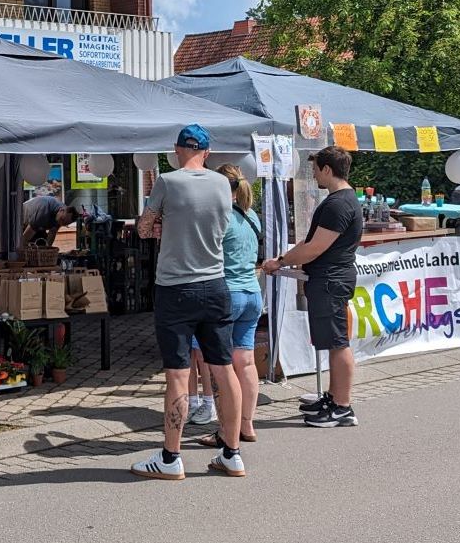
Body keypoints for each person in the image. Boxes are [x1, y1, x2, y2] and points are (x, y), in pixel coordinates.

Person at [131, 124, 245, 480]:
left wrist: (161, 222)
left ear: (177, 149)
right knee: (224, 370)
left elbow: (144, 229)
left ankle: (170, 458)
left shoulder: (167, 181)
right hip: (215, 284)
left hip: (176, 288)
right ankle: (232, 452)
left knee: (179, 376)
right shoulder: (223, 184)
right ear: (208, 153)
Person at [263, 145, 363, 428]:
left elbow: (315, 248)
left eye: (316, 168)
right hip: (330, 280)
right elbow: (309, 245)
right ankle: (334, 398)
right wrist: (285, 259)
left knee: (337, 343)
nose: (314, 174)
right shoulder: (342, 200)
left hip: (330, 280)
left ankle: (342, 407)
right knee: (333, 342)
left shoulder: (338, 204)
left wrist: (281, 261)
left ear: (327, 170)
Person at [199, 163, 264, 447]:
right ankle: (247, 424)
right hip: (252, 293)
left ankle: (226, 429)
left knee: (220, 366)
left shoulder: (219, 217)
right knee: (246, 362)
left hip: (227, 295)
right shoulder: (252, 216)